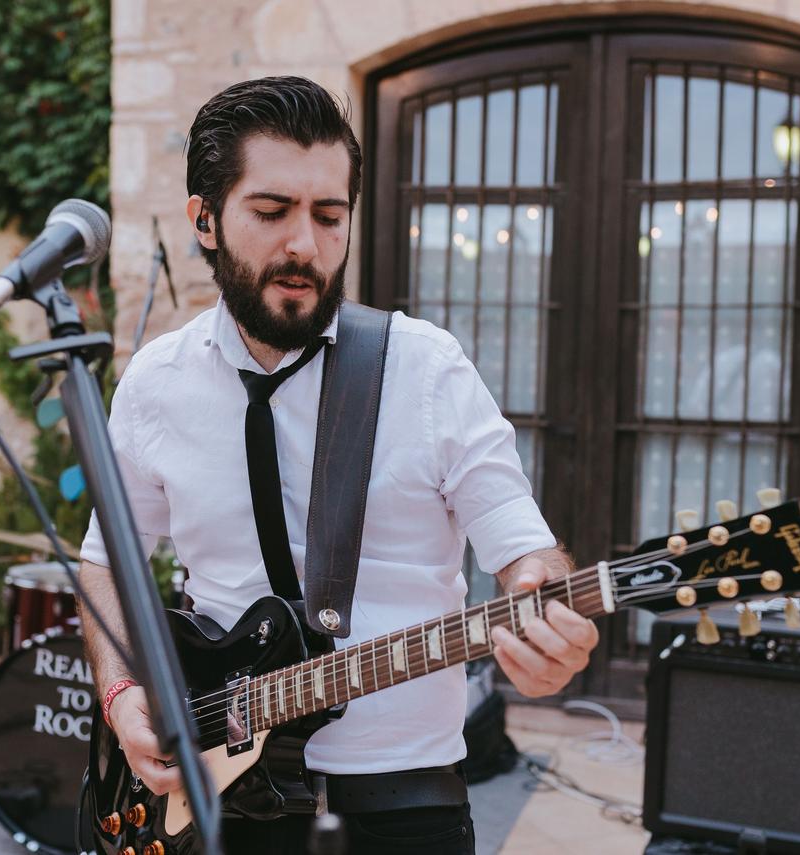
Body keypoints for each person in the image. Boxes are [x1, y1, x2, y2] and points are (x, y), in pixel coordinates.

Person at [77, 76, 599, 854]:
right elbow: (104, 563)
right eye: (272, 211)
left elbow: (525, 550)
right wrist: (122, 696)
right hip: (207, 801)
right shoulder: (157, 382)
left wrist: (546, 612)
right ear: (205, 220)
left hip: (399, 808)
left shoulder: (425, 370)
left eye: (330, 216)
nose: (304, 246)